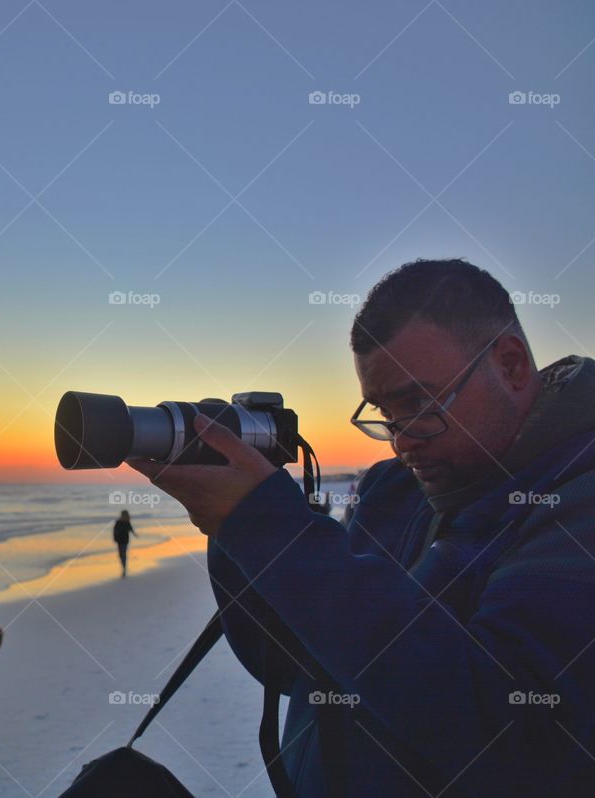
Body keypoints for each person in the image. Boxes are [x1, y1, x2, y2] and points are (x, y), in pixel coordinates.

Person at [129, 259, 595, 795]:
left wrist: (268, 524)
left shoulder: (576, 500)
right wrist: (231, 528)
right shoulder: (393, 490)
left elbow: (508, 729)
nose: (401, 440)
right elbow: (292, 666)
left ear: (511, 366)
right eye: (384, 412)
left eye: (420, 402)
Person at [113, 509, 138, 577]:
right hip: (119, 540)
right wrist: (115, 538)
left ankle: (124, 568)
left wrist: (135, 534)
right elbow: (115, 531)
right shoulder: (118, 522)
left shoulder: (127, 522)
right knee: (121, 554)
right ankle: (123, 567)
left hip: (125, 540)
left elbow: (131, 529)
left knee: (123, 554)